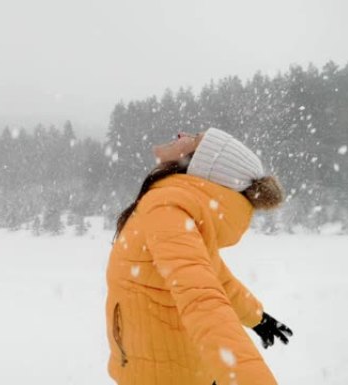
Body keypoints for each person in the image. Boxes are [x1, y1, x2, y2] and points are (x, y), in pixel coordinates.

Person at [105, 128, 293, 385]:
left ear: (199, 165)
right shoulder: (176, 208)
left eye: (194, 139)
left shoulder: (168, 209)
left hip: (165, 375)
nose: (182, 134)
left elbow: (203, 300)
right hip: (177, 365)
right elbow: (216, 278)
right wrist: (256, 316)